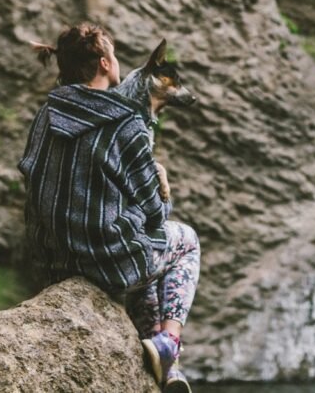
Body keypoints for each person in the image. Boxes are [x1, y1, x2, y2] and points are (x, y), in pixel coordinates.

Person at [19, 22, 200, 392]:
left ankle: (165, 364)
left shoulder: (45, 115)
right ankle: (170, 341)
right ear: (104, 63)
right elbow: (156, 211)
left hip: (53, 262)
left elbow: (34, 183)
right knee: (185, 242)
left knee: (144, 264)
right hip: (105, 265)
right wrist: (157, 190)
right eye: (114, 55)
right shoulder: (125, 122)